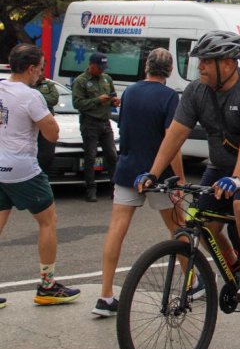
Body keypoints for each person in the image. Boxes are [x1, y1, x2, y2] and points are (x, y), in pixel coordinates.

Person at [135, 30, 240, 300]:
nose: (200, 67)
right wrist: (153, 173)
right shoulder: (197, 91)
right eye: (200, 61)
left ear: (228, 64)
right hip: (222, 163)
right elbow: (175, 134)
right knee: (198, 219)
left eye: (206, 61)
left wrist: (238, 179)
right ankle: (231, 264)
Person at [92, 48, 190, 317]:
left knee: (117, 229)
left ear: (146, 67)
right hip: (158, 174)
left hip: (127, 169)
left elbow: (125, 126)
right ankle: (192, 283)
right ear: (170, 71)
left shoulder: (130, 92)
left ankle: (105, 294)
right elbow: (173, 140)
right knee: (178, 228)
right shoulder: (170, 97)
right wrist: (179, 177)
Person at [0, 44, 81, 306]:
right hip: (22, 168)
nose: (41, 73)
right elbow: (52, 133)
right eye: (41, 68)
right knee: (47, 221)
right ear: (32, 68)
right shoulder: (30, 95)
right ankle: (47, 286)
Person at [72, 52, 119, 202]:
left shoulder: (107, 79)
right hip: (90, 123)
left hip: (105, 122)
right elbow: (77, 104)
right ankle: (91, 189)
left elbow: (112, 96)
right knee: (90, 156)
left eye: (104, 67)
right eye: (99, 67)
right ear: (91, 65)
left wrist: (114, 101)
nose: (102, 70)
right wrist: (97, 100)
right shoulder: (81, 81)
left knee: (112, 155)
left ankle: (115, 188)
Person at [33, 75, 59, 172]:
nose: (40, 73)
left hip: (46, 123)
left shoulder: (49, 84)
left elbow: (54, 100)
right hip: (30, 125)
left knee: (47, 155)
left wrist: (35, 98)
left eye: (42, 70)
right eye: (40, 69)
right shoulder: (24, 85)